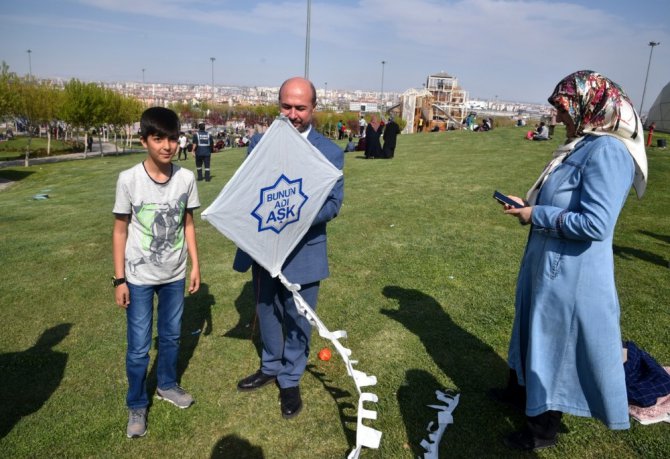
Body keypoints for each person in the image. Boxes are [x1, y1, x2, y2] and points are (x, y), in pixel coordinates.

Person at [493, 70, 648, 451]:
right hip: (549, 265)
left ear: (589, 105)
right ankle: (522, 396)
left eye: (563, 110)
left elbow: (596, 224)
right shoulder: (583, 144)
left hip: (571, 275)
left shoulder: (609, 152)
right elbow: (563, 200)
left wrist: (537, 216)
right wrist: (529, 205)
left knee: (554, 348)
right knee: (533, 334)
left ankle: (542, 430)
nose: (559, 118)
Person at [233, 77, 344, 420]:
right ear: (278, 105)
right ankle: (270, 365)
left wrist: (293, 217)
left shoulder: (330, 152)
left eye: (300, 108)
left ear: (313, 109)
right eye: (286, 107)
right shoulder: (259, 143)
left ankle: (290, 378)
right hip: (264, 249)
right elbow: (249, 190)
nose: (293, 114)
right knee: (266, 307)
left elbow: (333, 205)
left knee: (298, 316)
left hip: (304, 250)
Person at [112, 106, 201, 438]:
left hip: (175, 275)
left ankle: (166, 385)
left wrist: (195, 264)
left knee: (171, 336)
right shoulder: (129, 180)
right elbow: (120, 230)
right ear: (143, 140)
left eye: (173, 138)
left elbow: (188, 224)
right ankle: (137, 402)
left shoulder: (186, 179)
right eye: (158, 138)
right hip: (137, 279)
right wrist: (120, 278)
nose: (167, 145)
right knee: (137, 347)